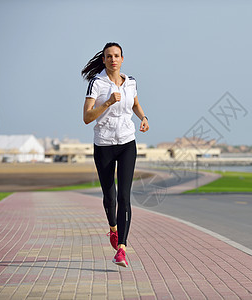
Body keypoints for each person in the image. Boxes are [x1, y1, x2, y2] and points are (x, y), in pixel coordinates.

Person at [81, 42, 149, 267]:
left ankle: (122, 248)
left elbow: (136, 103)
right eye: (108, 56)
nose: (113, 59)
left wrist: (143, 118)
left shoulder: (131, 82)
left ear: (122, 59)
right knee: (110, 196)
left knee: (124, 197)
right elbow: (87, 117)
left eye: (116, 56)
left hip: (127, 142)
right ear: (103, 60)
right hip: (104, 144)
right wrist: (109, 102)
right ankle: (113, 228)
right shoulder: (96, 83)